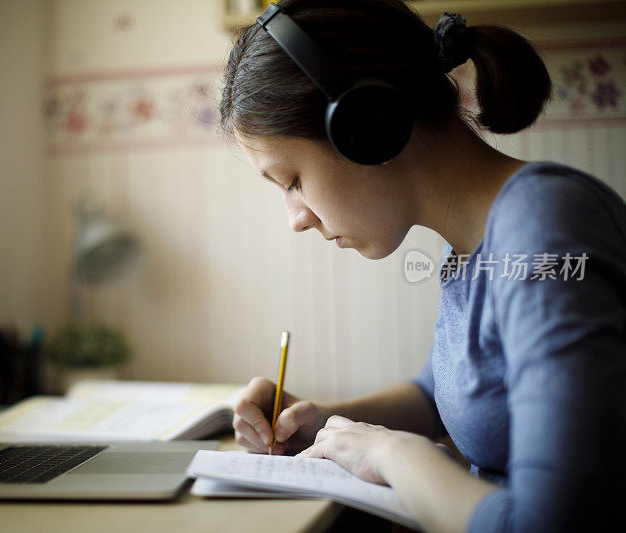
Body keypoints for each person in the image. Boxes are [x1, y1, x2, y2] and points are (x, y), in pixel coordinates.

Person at [222, 0, 626, 531]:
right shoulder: (471, 246)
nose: (295, 219)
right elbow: (441, 395)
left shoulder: (544, 229)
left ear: (366, 126)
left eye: (292, 180)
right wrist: (320, 422)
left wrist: (393, 456)